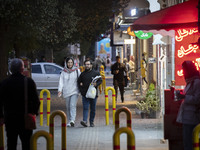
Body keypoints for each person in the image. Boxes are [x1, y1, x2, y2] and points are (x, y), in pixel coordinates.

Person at [0, 58, 40, 150]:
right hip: (25, 118)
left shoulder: (4, 83)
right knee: (26, 144)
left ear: (11, 69)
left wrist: (1, 116)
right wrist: (33, 112)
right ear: (22, 69)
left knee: (11, 143)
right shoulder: (28, 82)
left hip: (10, 119)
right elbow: (36, 101)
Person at [176, 61, 200, 150]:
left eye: (184, 70)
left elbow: (197, 99)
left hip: (192, 117)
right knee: (187, 141)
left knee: (189, 142)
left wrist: (184, 96)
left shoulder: (196, 82)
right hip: (187, 117)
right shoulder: (190, 82)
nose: (183, 72)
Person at [77, 60, 102, 127]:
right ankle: (84, 121)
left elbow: (100, 80)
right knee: (85, 108)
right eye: (86, 64)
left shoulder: (96, 73)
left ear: (91, 65)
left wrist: (96, 84)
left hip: (93, 94)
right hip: (85, 94)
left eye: (88, 64)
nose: (87, 66)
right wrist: (81, 90)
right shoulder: (82, 74)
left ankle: (91, 122)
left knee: (93, 109)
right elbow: (79, 82)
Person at [58, 57, 81, 127]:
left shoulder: (77, 70)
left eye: (71, 62)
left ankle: (72, 120)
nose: (70, 64)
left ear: (73, 63)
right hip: (66, 91)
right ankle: (69, 120)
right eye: (68, 62)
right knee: (68, 107)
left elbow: (80, 79)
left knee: (72, 105)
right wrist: (60, 90)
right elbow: (61, 82)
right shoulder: (63, 72)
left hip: (75, 91)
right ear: (66, 63)